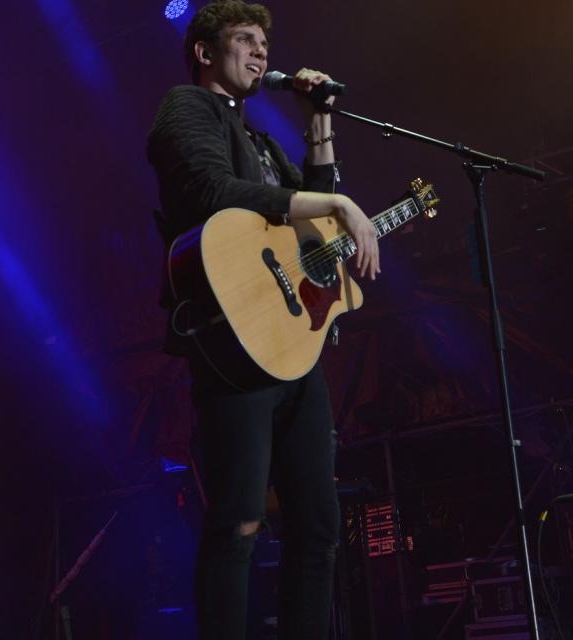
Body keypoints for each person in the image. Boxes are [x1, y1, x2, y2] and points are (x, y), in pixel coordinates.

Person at [147, 2, 380, 638]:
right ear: (204, 52)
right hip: (233, 343)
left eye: (264, 43)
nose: (261, 53)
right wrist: (337, 200)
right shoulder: (186, 108)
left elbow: (315, 220)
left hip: (291, 349)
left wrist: (319, 123)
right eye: (245, 40)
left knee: (319, 528)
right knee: (239, 523)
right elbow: (212, 193)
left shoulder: (262, 140)